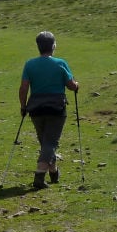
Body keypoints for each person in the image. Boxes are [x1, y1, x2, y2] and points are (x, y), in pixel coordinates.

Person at [18, 30, 80, 190]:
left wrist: (23, 106)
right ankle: (39, 175)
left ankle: (53, 171)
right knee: (50, 142)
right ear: (53, 46)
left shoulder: (29, 64)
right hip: (56, 107)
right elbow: (71, 86)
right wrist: (76, 85)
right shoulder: (60, 63)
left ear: (38, 46)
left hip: (35, 107)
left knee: (45, 141)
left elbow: (24, 87)